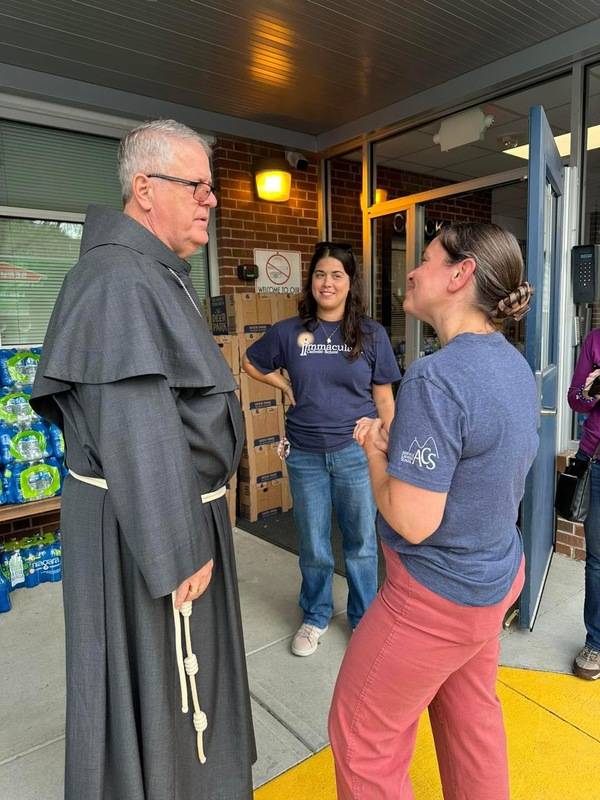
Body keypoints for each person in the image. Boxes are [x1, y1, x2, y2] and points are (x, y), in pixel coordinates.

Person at [30, 119, 256, 800]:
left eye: (210, 188)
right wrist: (179, 551)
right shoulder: (118, 280)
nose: (210, 200)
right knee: (162, 688)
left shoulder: (149, 271)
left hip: (170, 509)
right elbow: (135, 426)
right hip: (151, 523)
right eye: (197, 186)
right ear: (145, 188)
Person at [328, 223, 538, 800]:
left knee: (362, 739)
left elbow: (412, 520)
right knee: (472, 723)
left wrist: (375, 454)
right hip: (493, 581)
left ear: (460, 274)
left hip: (434, 598)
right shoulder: (514, 366)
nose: (413, 271)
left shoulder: (435, 377)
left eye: (425, 259)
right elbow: (473, 464)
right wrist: (399, 446)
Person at [243, 242, 401, 657]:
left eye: (336, 275)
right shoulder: (288, 332)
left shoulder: (371, 334)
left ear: (350, 282)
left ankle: (363, 618)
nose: (327, 283)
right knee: (313, 543)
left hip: (356, 453)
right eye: (319, 274)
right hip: (305, 454)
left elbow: (384, 397)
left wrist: (390, 442)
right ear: (310, 281)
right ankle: (315, 615)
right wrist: (283, 384)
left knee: (360, 542)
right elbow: (250, 362)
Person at [567, 329, 600, 680]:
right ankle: (596, 642)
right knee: (597, 560)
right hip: (596, 461)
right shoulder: (595, 341)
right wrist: (592, 392)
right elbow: (575, 399)